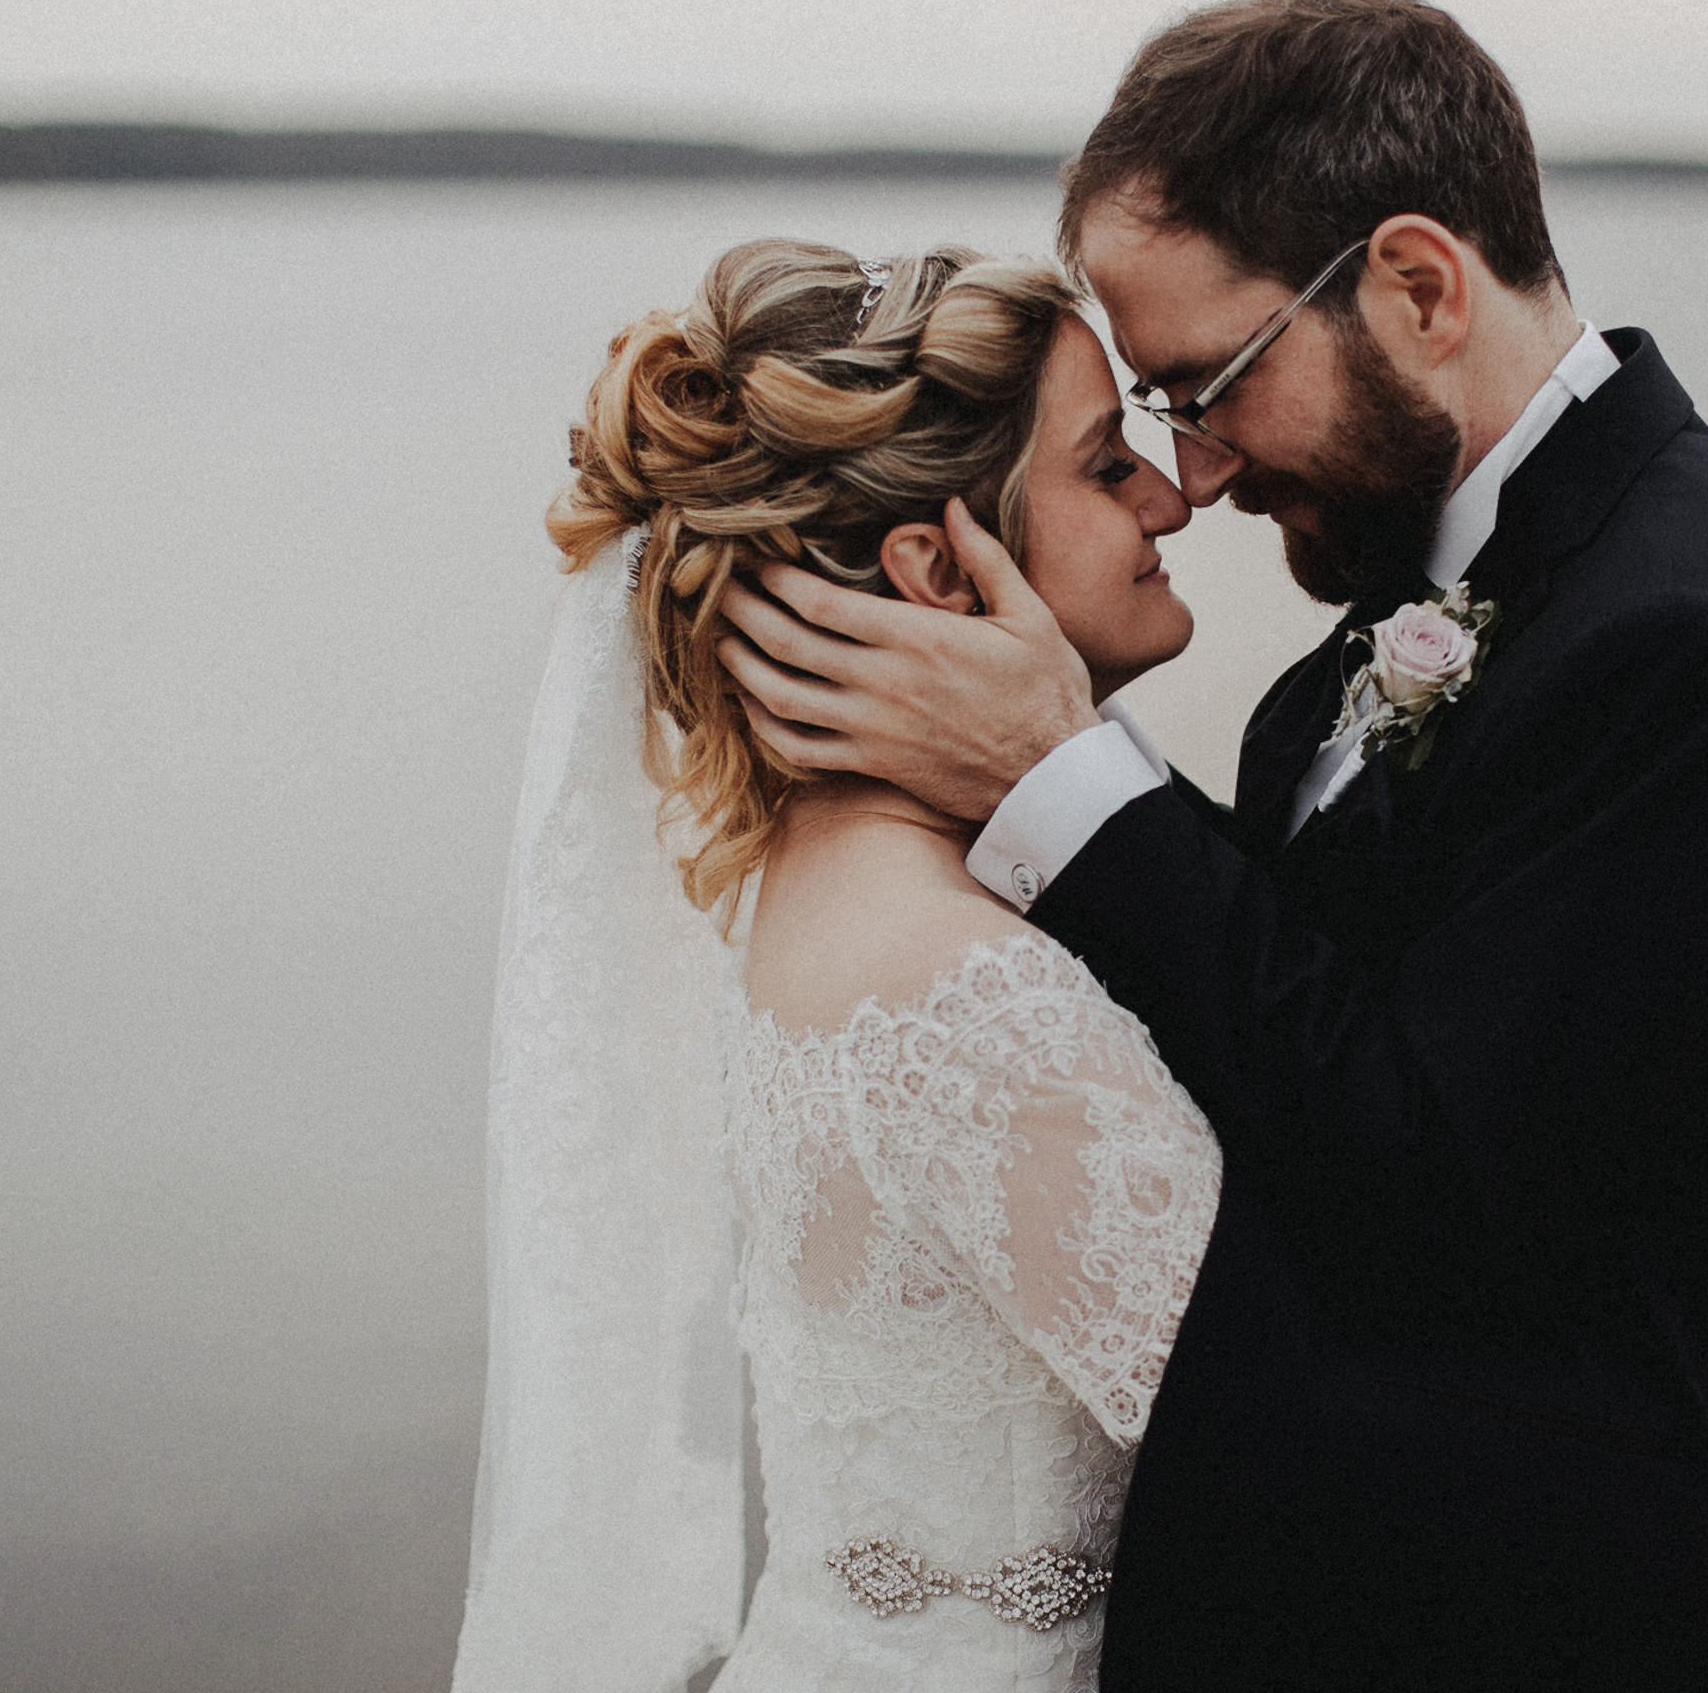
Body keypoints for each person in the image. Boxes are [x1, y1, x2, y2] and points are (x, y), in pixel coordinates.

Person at [717, 0, 1708, 1691]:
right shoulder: (1416, 598)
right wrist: (1037, 776)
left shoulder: (1684, 648)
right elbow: (1303, 1027)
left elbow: (1437, 1196)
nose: (1191, 472)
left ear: (1418, 289)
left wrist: (1064, 782)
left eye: (1209, 383)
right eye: (1145, 411)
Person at [451, 240, 1222, 1693]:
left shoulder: (802, 897)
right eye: (1109, 465)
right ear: (938, 567)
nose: (1174, 496)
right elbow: (1303, 1428)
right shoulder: (967, 992)